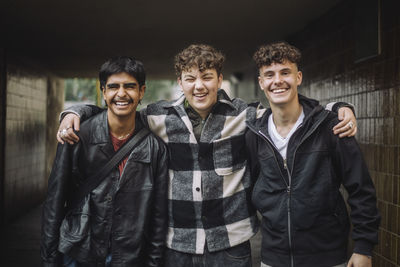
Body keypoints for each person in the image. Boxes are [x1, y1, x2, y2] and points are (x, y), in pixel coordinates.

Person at [57, 44, 357, 267]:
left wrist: (340, 107)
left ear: (219, 79)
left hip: (232, 244)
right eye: (190, 78)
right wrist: (73, 112)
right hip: (177, 244)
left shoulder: (246, 114)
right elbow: (115, 109)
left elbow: (290, 108)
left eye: (207, 77)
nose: (199, 86)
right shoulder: (157, 116)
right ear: (180, 82)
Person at [245, 42, 380, 267]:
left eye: (285, 72)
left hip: (327, 255)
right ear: (261, 83)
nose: (277, 80)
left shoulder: (330, 127)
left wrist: (364, 247)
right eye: (269, 75)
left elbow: (361, 189)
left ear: (298, 77)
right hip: (273, 257)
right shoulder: (254, 134)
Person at [41, 57, 168, 267]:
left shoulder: (156, 149)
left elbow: (158, 216)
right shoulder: (75, 136)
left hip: (130, 256)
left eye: (129, 86)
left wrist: (153, 262)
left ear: (142, 92)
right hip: (79, 251)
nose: (121, 93)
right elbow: (54, 203)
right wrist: (49, 259)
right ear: (103, 92)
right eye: (113, 87)